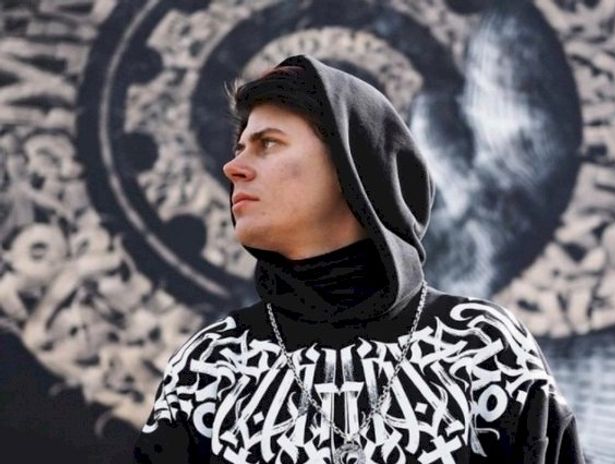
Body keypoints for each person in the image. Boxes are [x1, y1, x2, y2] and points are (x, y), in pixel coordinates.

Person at [133, 54, 585, 463]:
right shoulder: (211, 365)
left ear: (352, 163)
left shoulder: (483, 347)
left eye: (267, 143)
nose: (233, 168)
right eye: (240, 148)